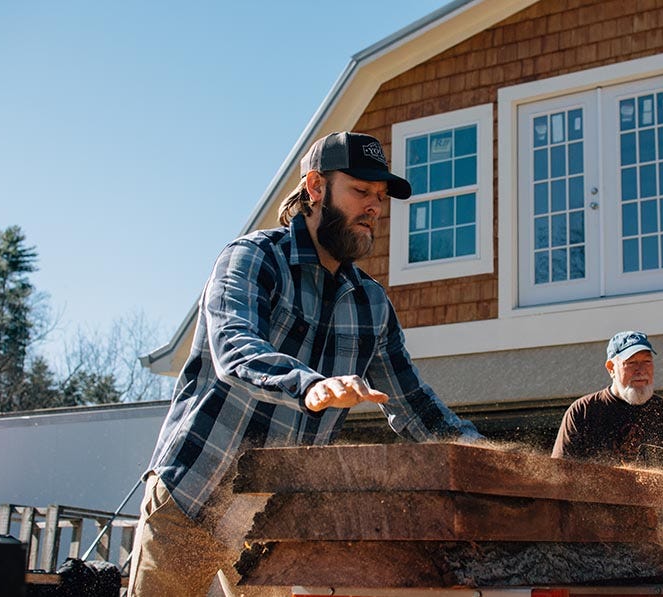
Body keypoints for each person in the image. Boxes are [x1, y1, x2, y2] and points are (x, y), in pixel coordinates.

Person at [128, 131, 484, 596]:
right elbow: (235, 348)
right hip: (193, 495)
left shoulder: (371, 304)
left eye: (380, 197)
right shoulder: (253, 259)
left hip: (264, 523)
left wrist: (483, 456)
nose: (374, 207)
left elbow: (415, 404)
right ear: (316, 188)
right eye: (360, 191)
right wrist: (308, 385)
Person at [551, 330, 663, 463]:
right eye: (631, 363)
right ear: (611, 368)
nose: (641, 370)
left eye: (647, 361)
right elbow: (561, 474)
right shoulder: (583, 412)